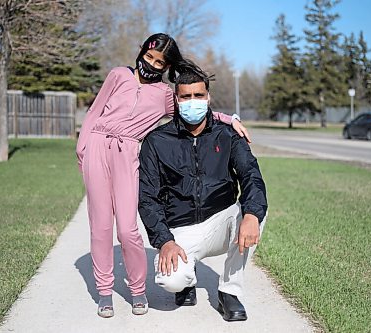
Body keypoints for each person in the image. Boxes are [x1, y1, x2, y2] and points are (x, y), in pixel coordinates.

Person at [76, 33, 250, 318]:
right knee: (101, 226)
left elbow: (192, 108)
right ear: (141, 51)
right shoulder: (118, 75)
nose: (152, 65)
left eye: (159, 63)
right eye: (149, 57)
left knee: (128, 230)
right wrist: (83, 149)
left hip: (128, 150)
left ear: (167, 67)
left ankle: (136, 290)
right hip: (97, 145)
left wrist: (229, 119)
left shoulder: (163, 95)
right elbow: (95, 111)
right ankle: (104, 291)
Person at [138, 68, 268, 322]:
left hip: (221, 220)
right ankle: (187, 280)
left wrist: (251, 215)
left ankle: (229, 291)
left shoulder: (228, 134)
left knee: (254, 211)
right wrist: (164, 241)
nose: (192, 101)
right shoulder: (157, 140)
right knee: (170, 280)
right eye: (185, 97)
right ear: (176, 99)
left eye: (198, 95)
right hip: (180, 230)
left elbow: (251, 176)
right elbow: (147, 197)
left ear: (208, 97)